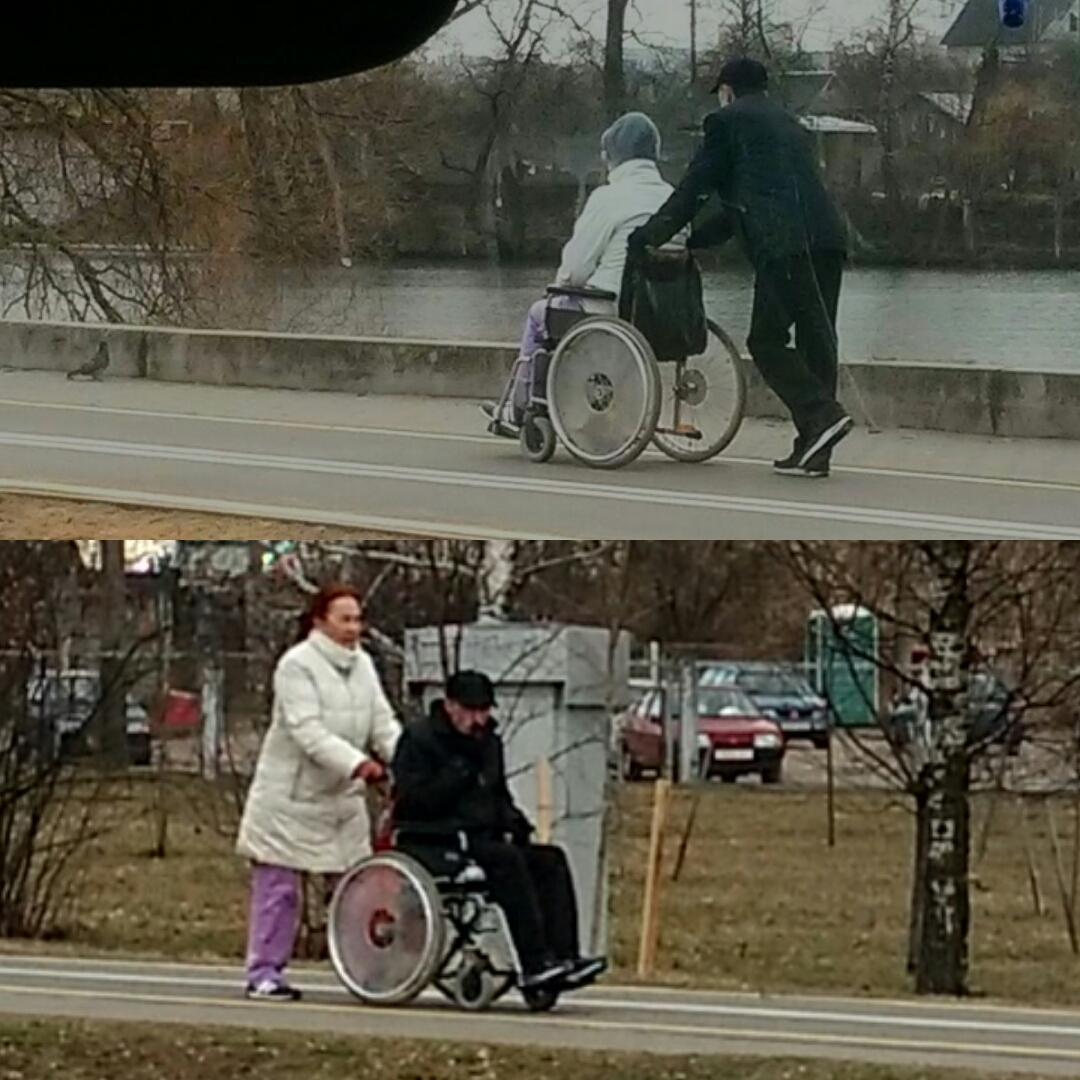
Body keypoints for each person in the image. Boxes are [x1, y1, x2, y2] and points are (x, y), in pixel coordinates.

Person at [629, 57, 853, 479]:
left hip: (784, 247)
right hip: (828, 240)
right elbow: (739, 206)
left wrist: (649, 236)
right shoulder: (790, 125)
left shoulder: (725, 123)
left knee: (766, 340)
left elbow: (693, 191)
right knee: (818, 339)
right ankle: (814, 447)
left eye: (721, 92)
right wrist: (698, 239)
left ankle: (821, 415)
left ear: (727, 90)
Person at [389, 669, 607, 993]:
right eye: (472, 710)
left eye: (484, 710)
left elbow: (497, 794)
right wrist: (458, 772)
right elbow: (412, 803)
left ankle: (565, 956)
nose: (479, 719)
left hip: (481, 836)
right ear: (451, 706)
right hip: (436, 839)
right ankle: (533, 963)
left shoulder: (488, 742)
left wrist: (517, 825)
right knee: (506, 862)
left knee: (549, 859)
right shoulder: (420, 740)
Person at [236, 584, 402, 1001]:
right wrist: (358, 763)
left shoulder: (363, 665)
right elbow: (307, 731)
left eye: (357, 619)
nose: (353, 628)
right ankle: (264, 972)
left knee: (359, 888)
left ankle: (369, 969)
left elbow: (382, 721)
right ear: (320, 621)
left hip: (341, 799)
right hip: (289, 797)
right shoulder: (296, 666)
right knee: (280, 890)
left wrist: (407, 760)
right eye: (344, 619)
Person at [482, 111, 690, 436]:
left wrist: (560, 286)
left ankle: (521, 408)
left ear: (614, 157)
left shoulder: (609, 198)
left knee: (542, 314)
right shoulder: (672, 198)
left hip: (611, 310)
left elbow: (575, 269)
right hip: (666, 313)